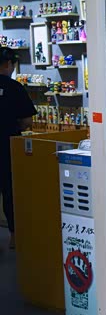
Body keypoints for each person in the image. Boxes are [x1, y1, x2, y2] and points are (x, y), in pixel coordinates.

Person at [0, 47, 37, 249]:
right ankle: (14, 237)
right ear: (8, 64)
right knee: (10, 193)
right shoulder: (14, 87)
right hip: (8, 147)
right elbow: (26, 121)